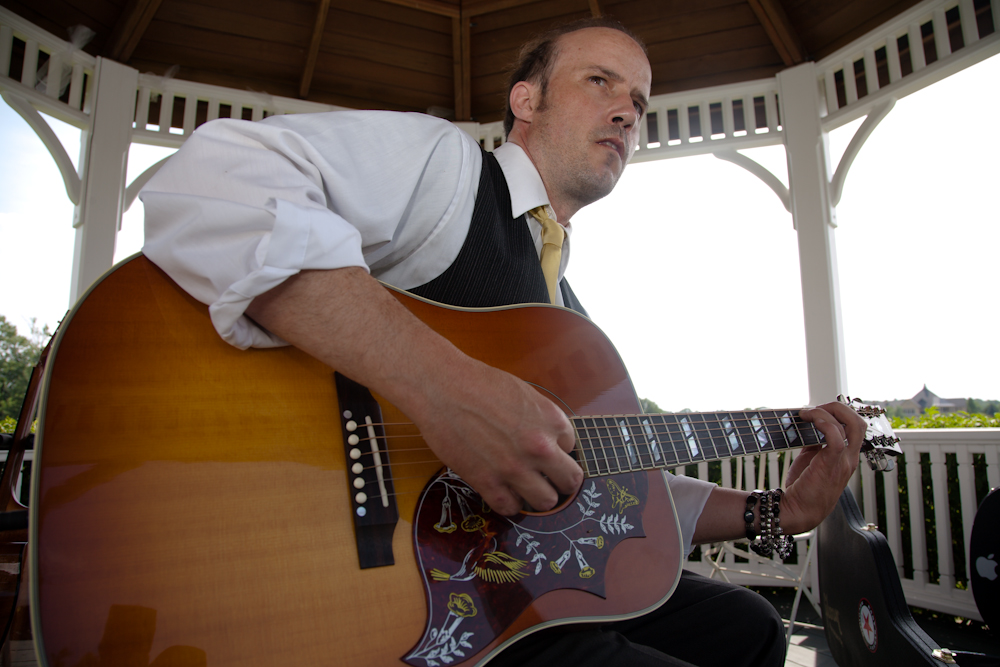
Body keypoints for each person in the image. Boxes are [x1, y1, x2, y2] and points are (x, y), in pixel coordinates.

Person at [142, 17, 865, 666]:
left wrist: (777, 510)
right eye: (600, 81)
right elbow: (215, 177)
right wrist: (440, 386)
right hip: (392, 590)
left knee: (749, 627)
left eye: (639, 103)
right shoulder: (449, 174)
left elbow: (615, 490)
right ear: (527, 101)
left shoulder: (568, 313)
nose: (626, 110)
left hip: (515, 583)